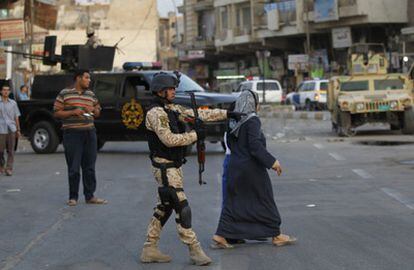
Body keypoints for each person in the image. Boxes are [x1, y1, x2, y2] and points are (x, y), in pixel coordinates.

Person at [140, 72, 243, 266]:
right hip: (164, 168)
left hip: (173, 167)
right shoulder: (156, 113)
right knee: (182, 208)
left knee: (164, 208)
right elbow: (169, 140)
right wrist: (195, 135)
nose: (174, 91)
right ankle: (195, 250)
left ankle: (149, 248)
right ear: (160, 91)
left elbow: (198, 113)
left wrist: (227, 114)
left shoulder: (170, 108)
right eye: (170, 89)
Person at [212, 90, 296, 248]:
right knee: (264, 198)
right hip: (251, 169)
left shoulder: (233, 121)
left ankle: (220, 235)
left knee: (233, 202)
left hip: (234, 167)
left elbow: (228, 144)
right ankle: (276, 235)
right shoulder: (252, 120)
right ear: (253, 104)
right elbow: (255, 147)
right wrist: (273, 162)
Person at [53, 70, 107, 206]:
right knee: (74, 167)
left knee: (89, 167)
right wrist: (72, 112)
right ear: (78, 78)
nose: (89, 80)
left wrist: (95, 111)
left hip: (89, 133)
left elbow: (98, 110)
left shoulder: (91, 95)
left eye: (89, 78)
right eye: (87, 77)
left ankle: (90, 196)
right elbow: (56, 112)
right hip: (72, 134)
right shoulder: (65, 93)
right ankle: (73, 197)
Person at [0, 85, 21, 176]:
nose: (6, 92)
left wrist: (18, 130)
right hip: (1, 129)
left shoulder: (13, 103)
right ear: (1, 91)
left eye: (7, 90)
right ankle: (1, 165)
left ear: (9, 92)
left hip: (12, 128)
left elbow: (16, 117)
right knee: (0, 150)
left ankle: (9, 168)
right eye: (4, 90)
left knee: (11, 150)